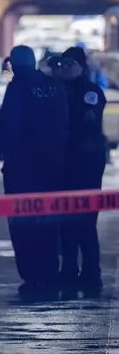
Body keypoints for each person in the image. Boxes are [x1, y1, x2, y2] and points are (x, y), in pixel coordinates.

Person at [0, 45, 68, 299]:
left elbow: (8, 127)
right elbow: (64, 123)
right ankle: (50, 273)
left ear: (14, 65)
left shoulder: (18, 88)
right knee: (49, 221)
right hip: (52, 167)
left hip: (22, 169)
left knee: (22, 223)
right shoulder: (54, 86)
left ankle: (31, 276)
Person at [56, 47, 106, 293]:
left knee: (85, 222)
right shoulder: (56, 90)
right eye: (63, 64)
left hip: (85, 166)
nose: (65, 69)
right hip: (63, 166)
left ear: (81, 67)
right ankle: (68, 270)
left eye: (70, 65)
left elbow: (87, 123)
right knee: (65, 221)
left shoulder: (90, 92)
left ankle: (91, 273)